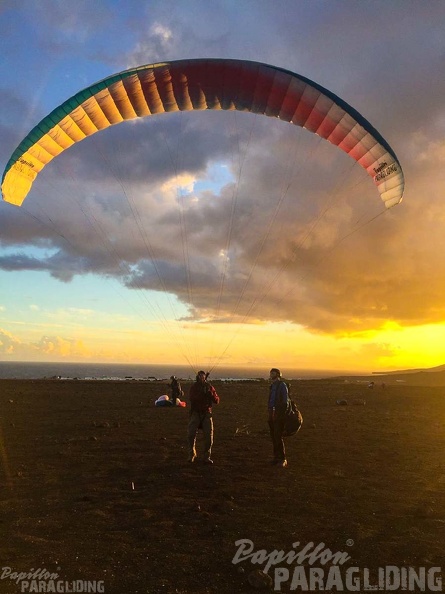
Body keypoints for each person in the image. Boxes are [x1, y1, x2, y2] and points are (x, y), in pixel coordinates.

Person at [187, 370, 220, 464]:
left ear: (205, 377)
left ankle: (206, 457)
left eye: (203, 375)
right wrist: (202, 394)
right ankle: (191, 454)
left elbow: (217, 400)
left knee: (209, 437)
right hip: (196, 413)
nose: (202, 377)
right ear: (198, 377)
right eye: (200, 375)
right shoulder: (194, 387)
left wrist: (211, 395)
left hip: (206, 413)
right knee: (191, 434)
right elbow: (191, 398)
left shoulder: (209, 387)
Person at [268, 368, 290, 467]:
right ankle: (276, 457)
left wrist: (280, 414)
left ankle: (282, 459)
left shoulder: (282, 385)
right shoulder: (272, 386)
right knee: (274, 437)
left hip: (279, 414)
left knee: (278, 436)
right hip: (272, 413)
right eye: (271, 373)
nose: (271, 374)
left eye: (273, 373)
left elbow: (285, 401)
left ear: (278, 374)